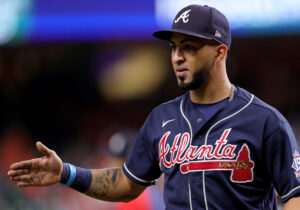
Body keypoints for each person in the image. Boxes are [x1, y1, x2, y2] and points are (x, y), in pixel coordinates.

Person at [7, 4, 300, 209]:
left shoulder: (265, 121)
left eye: (189, 47)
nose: (177, 57)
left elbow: (294, 194)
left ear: (219, 52)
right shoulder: (162, 119)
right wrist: (67, 173)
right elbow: (126, 182)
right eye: (173, 47)